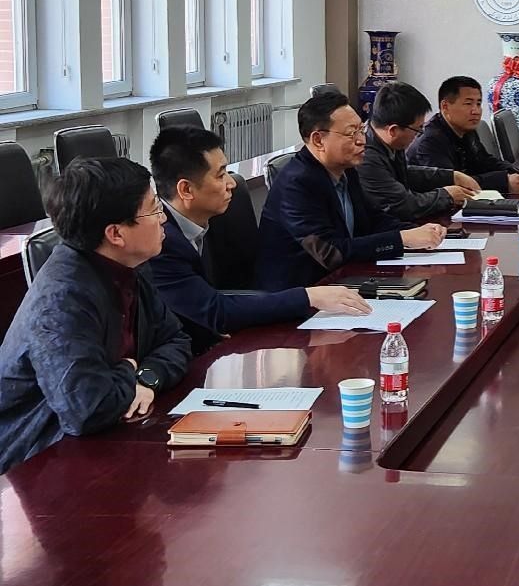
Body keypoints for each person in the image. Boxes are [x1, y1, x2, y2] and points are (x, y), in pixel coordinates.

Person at [0, 157, 192, 473]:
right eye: (154, 209)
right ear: (116, 233)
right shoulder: (61, 301)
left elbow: (176, 339)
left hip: (108, 438)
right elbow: (87, 409)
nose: (163, 219)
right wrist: (128, 370)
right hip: (36, 461)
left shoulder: (126, 267)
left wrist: (145, 377)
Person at [148, 126, 371, 334]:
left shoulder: (209, 217)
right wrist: (308, 297)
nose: (232, 183)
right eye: (220, 175)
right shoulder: (160, 241)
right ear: (186, 190)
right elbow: (213, 310)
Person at [256, 91, 446, 290]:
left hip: (343, 281)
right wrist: (402, 239)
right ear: (318, 140)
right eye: (351, 133)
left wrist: (415, 231)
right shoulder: (296, 184)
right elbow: (330, 252)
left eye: (361, 130)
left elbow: (373, 220)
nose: (362, 140)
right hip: (299, 293)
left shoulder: (346, 170)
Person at [359, 81, 480, 224]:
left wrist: (452, 176)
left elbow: (405, 174)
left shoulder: (390, 142)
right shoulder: (366, 156)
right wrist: (447, 195)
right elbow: (404, 205)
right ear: (393, 130)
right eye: (417, 129)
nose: (420, 134)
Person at [406, 76, 519, 195]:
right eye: (468, 104)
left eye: (478, 104)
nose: (475, 111)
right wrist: (504, 181)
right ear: (445, 106)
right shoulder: (430, 141)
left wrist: (514, 171)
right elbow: (454, 185)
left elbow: (484, 161)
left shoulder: (466, 128)